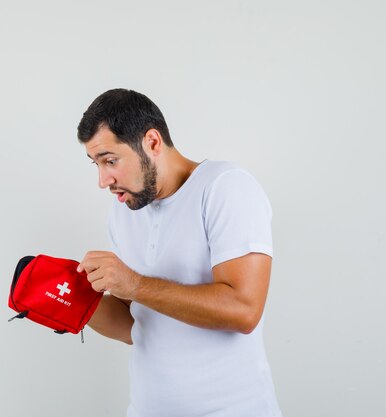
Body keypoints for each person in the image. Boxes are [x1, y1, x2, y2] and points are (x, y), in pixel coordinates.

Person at [75, 89, 283, 417]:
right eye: (96, 165)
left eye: (110, 160)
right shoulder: (123, 211)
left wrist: (135, 284)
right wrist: (72, 301)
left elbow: (244, 311)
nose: (104, 180)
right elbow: (138, 324)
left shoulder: (225, 187)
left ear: (153, 142)